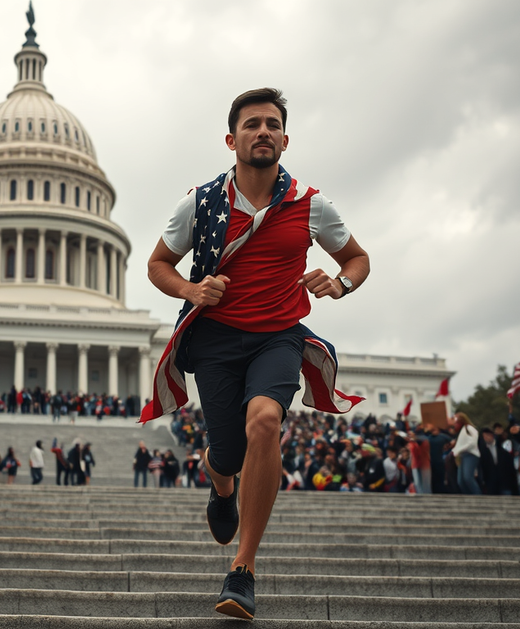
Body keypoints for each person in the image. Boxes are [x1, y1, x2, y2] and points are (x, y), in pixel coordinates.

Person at [145, 88, 370, 619]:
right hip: (218, 341)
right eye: (252, 124)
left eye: (272, 124)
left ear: (285, 139)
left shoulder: (311, 204)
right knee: (226, 455)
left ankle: (243, 568)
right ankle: (221, 485)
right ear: (232, 139)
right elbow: (158, 264)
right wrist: (191, 291)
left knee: (265, 422)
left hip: (279, 335)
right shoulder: (199, 203)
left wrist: (339, 284)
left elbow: (357, 258)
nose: (263, 131)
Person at [451, 413, 481, 495]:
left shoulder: (469, 428)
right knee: (460, 481)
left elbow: (472, 442)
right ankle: (468, 497)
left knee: (468, 477)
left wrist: (459, 449)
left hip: (470, 455)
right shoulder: (461, 431)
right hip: (462, 456)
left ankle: (478, 496)